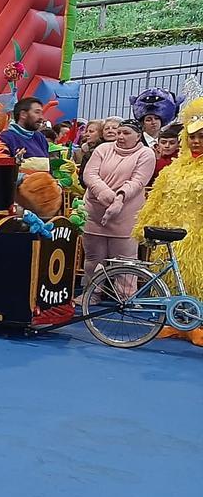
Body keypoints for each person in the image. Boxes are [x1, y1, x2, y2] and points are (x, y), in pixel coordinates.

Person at [133, 98, 203, 345]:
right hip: (169, 234)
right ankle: (175, 324)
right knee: (171, 279)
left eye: (201, 137)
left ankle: (195, 325)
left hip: (198, 237)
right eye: (192, 137)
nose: (195, 142)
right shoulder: (171, 169)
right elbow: (155, 199)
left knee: (197, 280)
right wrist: (144, 225)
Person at [80, 119, 155, 292]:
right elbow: (89, 174)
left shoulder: (146, 154)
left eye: (126, 133)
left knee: (125, 260)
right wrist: (104, 193)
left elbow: (137, 181)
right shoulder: (102, 149)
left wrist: (119, 198)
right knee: (93, 259)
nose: (120, 136)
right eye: (119, 132)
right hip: (94, 211)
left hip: (126, 214)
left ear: (138, 136)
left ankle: (125, 297)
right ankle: (91, 294)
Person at [0, 97, 48, 162]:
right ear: (23, 114)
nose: (41, 117)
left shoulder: (40, 137)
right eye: (37, 112)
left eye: (41, 113)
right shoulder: (5, 138)